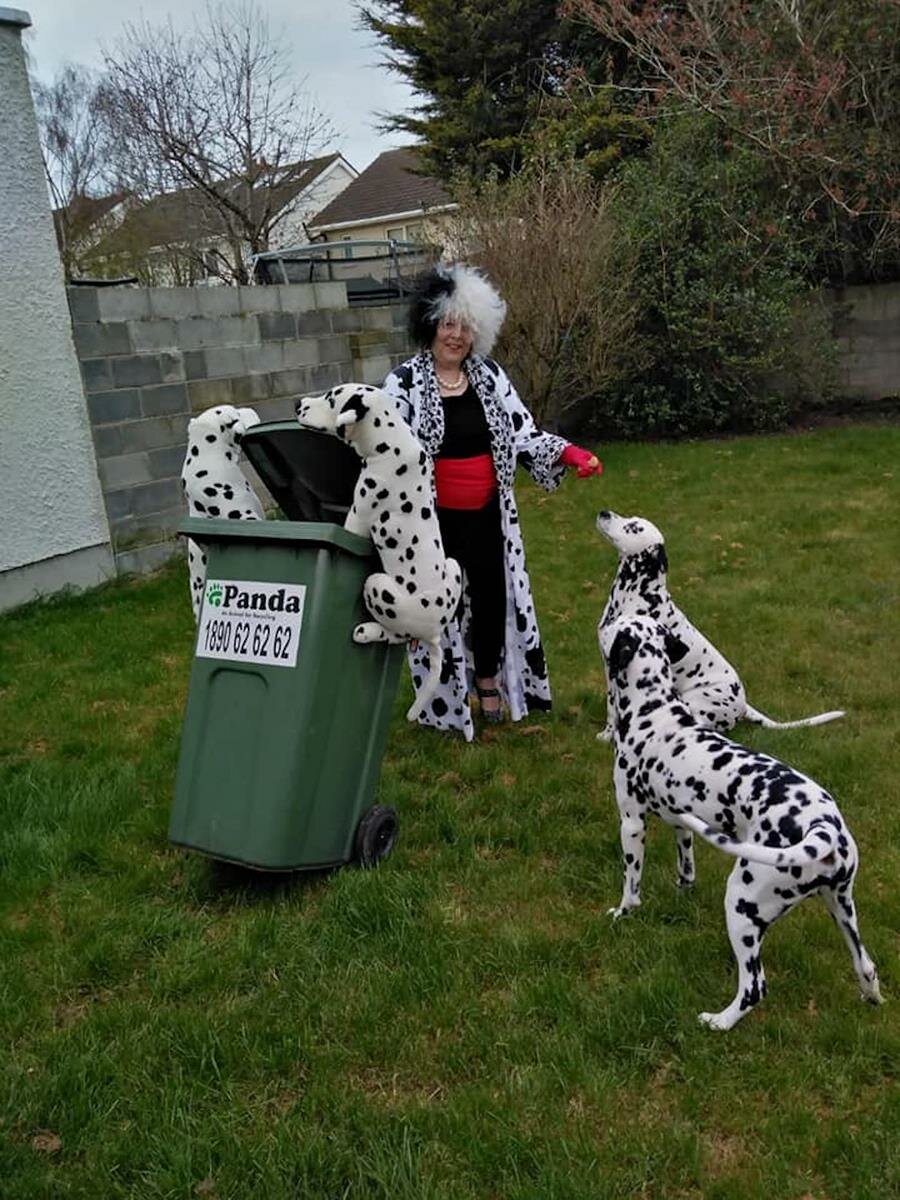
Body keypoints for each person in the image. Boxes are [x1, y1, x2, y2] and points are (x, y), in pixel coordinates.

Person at [382, 262, 603, 740]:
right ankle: (444, 694)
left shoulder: (489, 377)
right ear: (429, 325)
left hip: (488, 516)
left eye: (464, 326)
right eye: (447, 324)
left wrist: (567, 452)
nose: (456, 336)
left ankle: (487, 679)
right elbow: (386, 449)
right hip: (431, 524)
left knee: (489, 599)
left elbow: (523, 433)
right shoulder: (401, 383)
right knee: (441, 607)